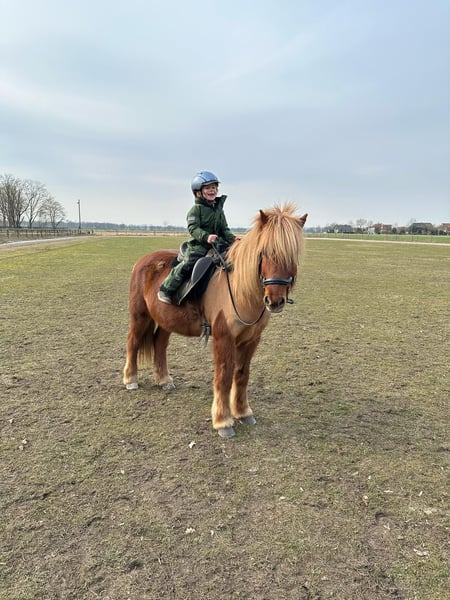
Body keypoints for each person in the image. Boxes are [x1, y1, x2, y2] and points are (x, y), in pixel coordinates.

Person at [158, 171, 237, 304]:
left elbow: (224, 229)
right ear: (198, 192)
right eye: (208, 188)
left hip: (217, 244)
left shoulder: (219, 210)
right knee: (188, 263)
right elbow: (193, 228)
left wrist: (233, 239)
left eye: (214, 187)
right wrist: (206, 237)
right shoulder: (195, 210)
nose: (212, 190)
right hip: (199, 246)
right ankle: (166, 289)